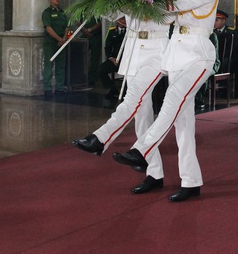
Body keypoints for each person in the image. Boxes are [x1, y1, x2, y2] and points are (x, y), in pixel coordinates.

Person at [112, 0, 218, 202]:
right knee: (183, 124)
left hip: (197, 54)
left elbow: (178, 4)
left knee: (172, 101)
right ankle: (189, 181)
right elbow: (166, 16)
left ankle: (142, 149)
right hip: (177, 54)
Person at [71, 12, 170, 195]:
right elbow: (114, 14)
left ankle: (100, 139)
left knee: (132, 100)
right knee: (142, 115)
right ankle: (154, 172)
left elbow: (168, 14)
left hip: (156, 53)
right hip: (133, 53)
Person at [42, 0, 68, 93]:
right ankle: (47, 88)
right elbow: (48, 28)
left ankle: (59, 87)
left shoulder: (62, 12)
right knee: (49, 64)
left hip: (61, 41)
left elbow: (67, 26)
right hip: (51, 41)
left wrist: (64, 38)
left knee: (61, 65)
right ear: (50, 0)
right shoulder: (47, 12)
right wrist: (59, 39)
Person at [97, 16, 127, 99]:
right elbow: (107, 47)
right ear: (116, 20)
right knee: (101, 70)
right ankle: (112, 88)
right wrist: (111, 58)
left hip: (127, 60)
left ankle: (125, 92)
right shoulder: (112, 31)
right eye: (121, 19)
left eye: (124, 19)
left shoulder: (130, 32)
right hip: (114, 59)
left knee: (130, 74)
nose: (123, 21)